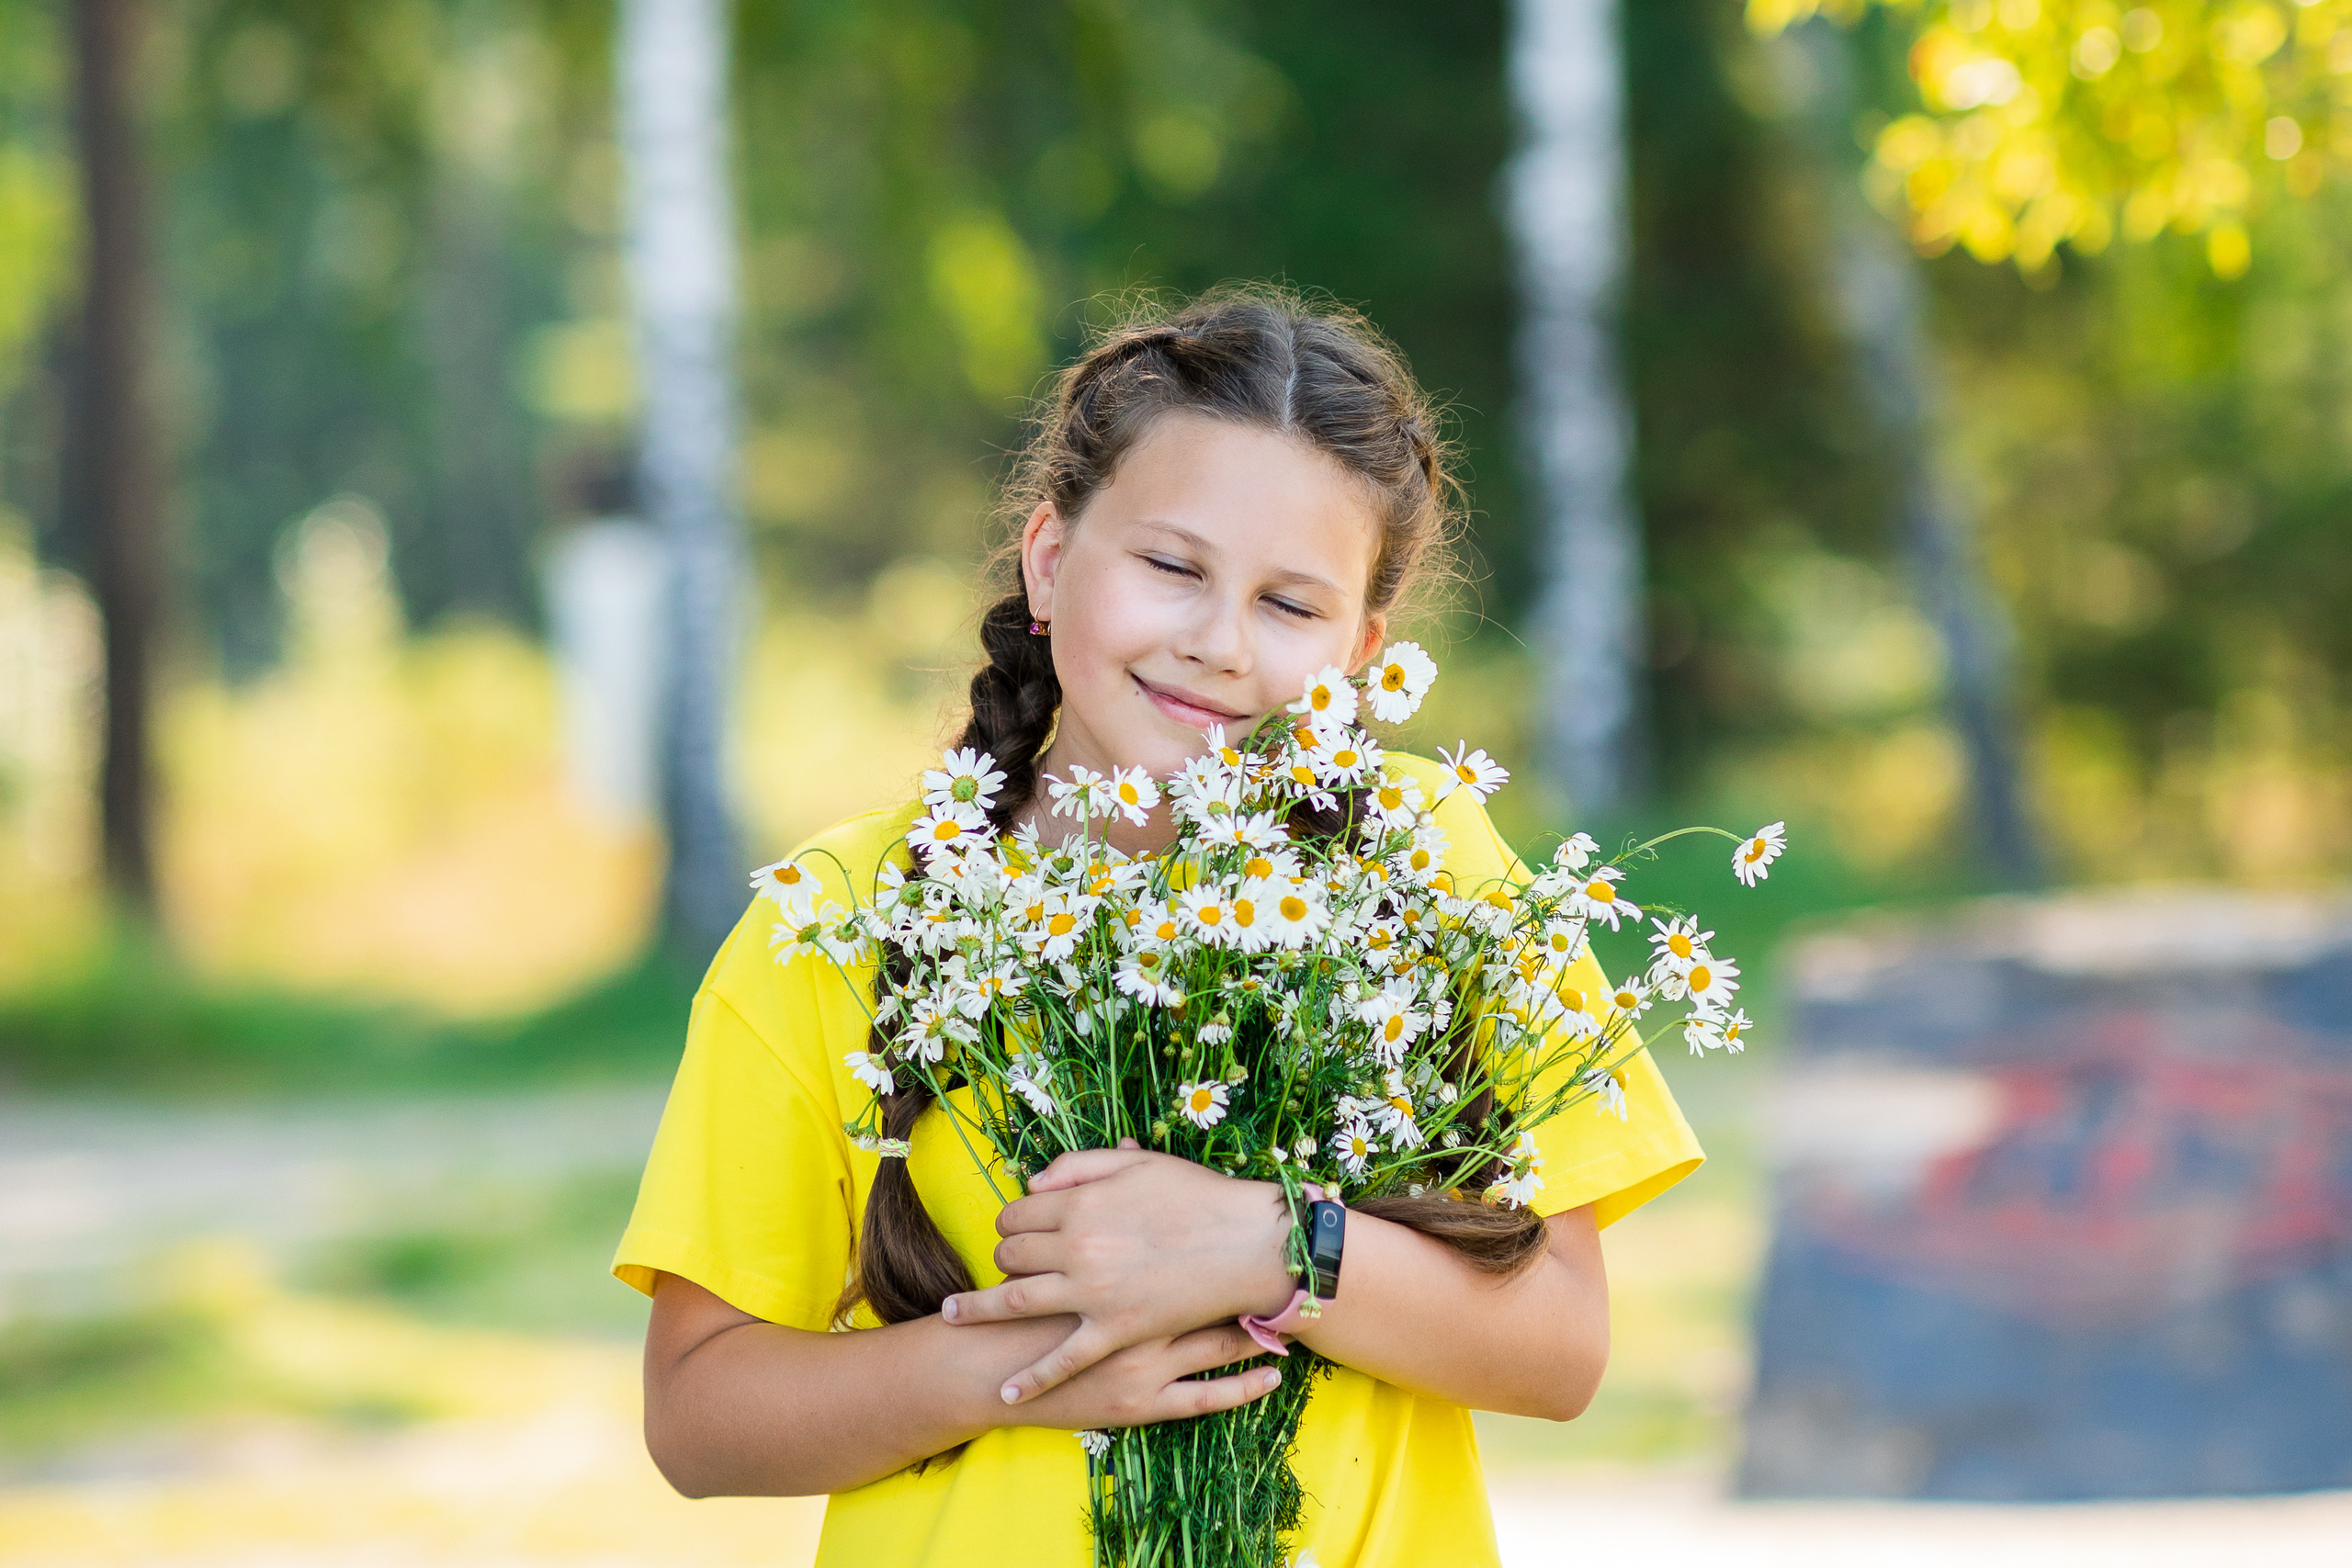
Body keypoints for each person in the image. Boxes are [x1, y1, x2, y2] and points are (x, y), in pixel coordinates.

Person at [612, 287, 1704, 1567]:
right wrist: (1032, 1366)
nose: (1218, 644)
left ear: (1362, 649)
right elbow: (697, 1415)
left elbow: (1561, 1350)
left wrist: (1268, 1245)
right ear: (1051, 559)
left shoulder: (1426, 860)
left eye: (1290, 607)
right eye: (1173, 567)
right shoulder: (838, 921)